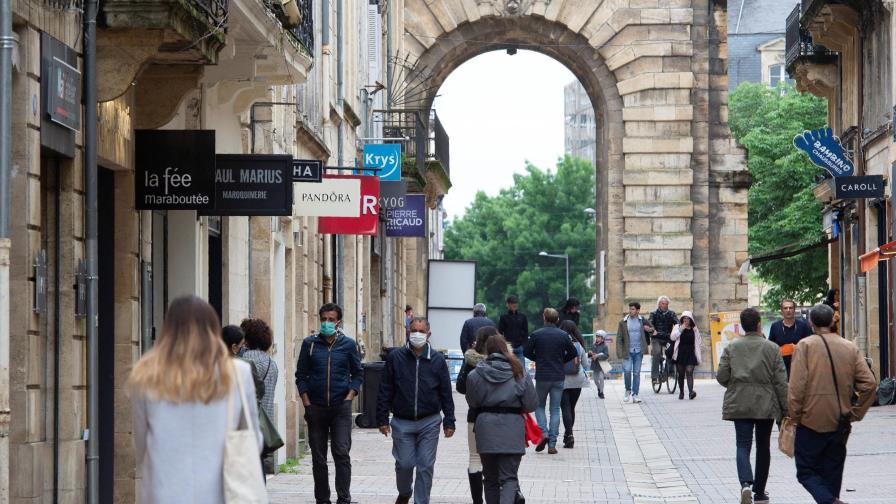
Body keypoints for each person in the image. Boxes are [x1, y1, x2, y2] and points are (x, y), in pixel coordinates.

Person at [130, 296, 263, 503]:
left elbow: (142, 444)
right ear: (212, 329)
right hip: (221, 491)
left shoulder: (146, 375)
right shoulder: (237, 373)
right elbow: (254, 438)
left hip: (163, 490)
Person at [789, 304, 876, 504]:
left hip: (810, 420)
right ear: (831, 321)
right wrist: (856, 412)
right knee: (832, 474)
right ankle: (832, 499)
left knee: (805, 471)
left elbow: (796, 387)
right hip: (840, 420)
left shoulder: (805, 346)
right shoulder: (849, 347)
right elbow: (869, 384)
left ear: (811, 323)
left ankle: (831, 502)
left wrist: (795, 416)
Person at [377, 317, 455, 504]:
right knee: (404, 464)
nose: (417, 335)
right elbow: (385, 388)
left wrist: (449, 420)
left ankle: (421, 501)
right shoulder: (396, 358)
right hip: (402, 421)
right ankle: (404, 492)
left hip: (429, 421)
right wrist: (382, 418)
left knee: (425, 466)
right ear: (408, 332)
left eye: (421, 331)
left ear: (428, 334)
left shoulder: (437, 360)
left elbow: (445, 392)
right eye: (413, 331)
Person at [717, 308, 788, 504]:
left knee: (742, 444)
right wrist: (786, 411)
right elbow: (781, 382)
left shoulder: (732, 347)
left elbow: (721, 376)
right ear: (758, 324)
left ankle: (745, 484)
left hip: (739, 402)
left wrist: (735, 385)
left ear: (742, 325)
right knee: (763, 446)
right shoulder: (772, 348)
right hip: (765, 403)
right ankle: (760, 491)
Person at [295, 303, 363, 504]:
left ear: (338, 322)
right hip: (315, 407)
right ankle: (322, 499)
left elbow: (358, 373)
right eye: (323, 319)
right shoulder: (310, 344)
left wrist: (349, 396)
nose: (327, 323)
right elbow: (301, 375)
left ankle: (344, 498)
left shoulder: (348, 345)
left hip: (340, 407)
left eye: (331, 319)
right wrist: (306, 403)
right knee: (318, 457)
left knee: (341, 452)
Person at [465, 334, 539, 504]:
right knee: (509, 478)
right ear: (506, 349)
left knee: (490, 478)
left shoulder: (476, 374)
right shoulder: (519, 373)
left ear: (486, 351)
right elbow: (531, 404)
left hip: (486, 428)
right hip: (512, 428)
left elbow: (472, 402)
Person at [523, 308, 577, 454]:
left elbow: (526, 352)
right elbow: (573, 352)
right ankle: (552, 443)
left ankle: (543, 433)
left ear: (544, 318)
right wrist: (561, 361)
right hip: (558, 376)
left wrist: (539, 359)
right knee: (555, 409)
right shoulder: (563, 335)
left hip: (542, 376)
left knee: (539, 406)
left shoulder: (536, 334)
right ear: (557, 319)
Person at [456, 326, 497, 504]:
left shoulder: (471, 360)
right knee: (498, 460)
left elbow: (460, 387)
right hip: (501, 417)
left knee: (475, 458)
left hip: (476, 415)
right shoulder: (506, 361)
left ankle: (477, 501)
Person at [240, 317, 280, 474]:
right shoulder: (272, 363)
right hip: (265, 425)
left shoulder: (246, 360)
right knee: (259, 469)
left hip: (248, 423)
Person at [559, 320, 589, 449]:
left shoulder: (558, 344)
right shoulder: (579, 345)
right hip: (578, 380)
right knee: (571, 408)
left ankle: (569, 435)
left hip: (562, 380)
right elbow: (586, 364)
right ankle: (568, 434)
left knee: (565, 407)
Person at [616, 302, 652, 403]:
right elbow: (619, 338)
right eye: (630, 309)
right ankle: (627, 390)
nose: (630, 311)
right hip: (627, 352)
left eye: (632, 309)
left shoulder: (642, 320)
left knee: (636, 373)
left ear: (637, 310)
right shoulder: (623, 322)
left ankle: (635, 394)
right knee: (627, 371)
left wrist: (648, 329)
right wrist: (619, 352)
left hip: (638, 351)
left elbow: (653, 329)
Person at [768, 299, 813, 378]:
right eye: (785, 308)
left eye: (790, 308)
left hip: (800, 367)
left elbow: (810, 346)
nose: (788, 310)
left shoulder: (804, 326)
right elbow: (771, 347)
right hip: (780, 368)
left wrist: (795, 348)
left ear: (794, 310)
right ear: (781, 310)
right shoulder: (775, 326)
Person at [222, 324, 265, 405]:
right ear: (234, 347)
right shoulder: (245, 364)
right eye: (241, 346)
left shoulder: (207, 363)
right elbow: (260, 389)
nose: (244, 349)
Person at [670, 311, 702, 400]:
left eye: (688, 318)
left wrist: (698, 350)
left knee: (689, 371)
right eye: (684, 318)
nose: (686, 320)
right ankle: (681, 392)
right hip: (680, 353)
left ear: (691, 320)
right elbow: (672, 337)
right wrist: (681, 329)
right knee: (681, 374)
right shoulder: (678, 327)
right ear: (682, 319)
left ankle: (691, 392)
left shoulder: (694, 329)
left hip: (691, 353)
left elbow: (699, 340)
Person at [648, 296, 677, 385]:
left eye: (666, 304)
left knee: (672, 352)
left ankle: (667, 373)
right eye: (663, 303)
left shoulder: (672, 314)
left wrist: (679, 328)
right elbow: (650, 323)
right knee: (656, 353)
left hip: (668, 338)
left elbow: (677, 323)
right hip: (656, 338)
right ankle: (655, 376)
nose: (665, 305)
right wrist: (652, 330)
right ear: (659, 304)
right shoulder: (653, 313)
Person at [499, 295, 529, 365]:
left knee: (521, 369)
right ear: (508, 305)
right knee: (507, 367)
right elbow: (500, 332)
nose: (514, 305)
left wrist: (524, 345)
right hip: (508, 347)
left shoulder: (522, 316)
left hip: (519, 347)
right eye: (512, 303)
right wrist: (503, 345)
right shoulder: (504, 317)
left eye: (515, 303)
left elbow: (526, 332)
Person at [588, 330, 610, 399]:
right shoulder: (593, 345)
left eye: (599, 337)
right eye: (596, 336)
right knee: (595, 379)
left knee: (601, 378)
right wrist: (590, 354)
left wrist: (598, 356)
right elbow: (590, 354)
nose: (597, 338)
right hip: (595, 365)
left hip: (602, 364)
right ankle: (599, 388)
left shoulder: (605, 346)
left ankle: (601, 392)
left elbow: (606, 355)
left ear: (603, 338)